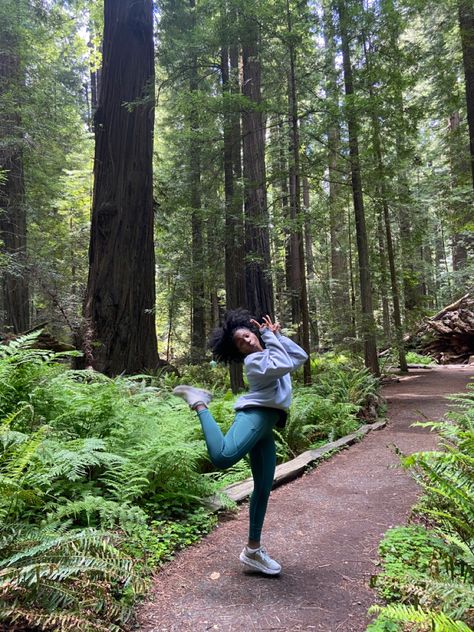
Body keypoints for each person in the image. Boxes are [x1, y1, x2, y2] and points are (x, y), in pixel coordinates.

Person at [172, 309, 308, 576]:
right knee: (222, 457)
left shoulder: (271, 349)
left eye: (246, 335)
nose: (246, 340)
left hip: (267, 425)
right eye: (239, 342)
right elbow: (282, 362)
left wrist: (277, 335)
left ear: (252, 332)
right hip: (255, 416)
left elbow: (299, 357)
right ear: (239, 351)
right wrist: (269, 335)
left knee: (263, 486)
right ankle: (198, 401)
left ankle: (253, 551)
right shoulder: (255, 363)